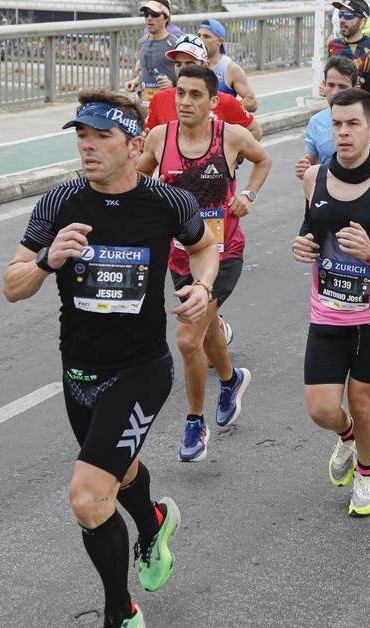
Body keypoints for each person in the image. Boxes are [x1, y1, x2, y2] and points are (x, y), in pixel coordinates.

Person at [4, 91, 217, 627]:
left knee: (88, 496)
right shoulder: (60, 205)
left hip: (141, 370)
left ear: (134, 144)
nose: (89, 148)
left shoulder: (169, 203)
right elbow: (12, 285)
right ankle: (154, 521)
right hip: (77, 374)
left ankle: (119, 613)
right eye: (82, 137)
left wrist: (203, 287)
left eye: (102, 137)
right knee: (118, 474)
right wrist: (48, 262)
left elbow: (204, 245)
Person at [138, 66, 269, 463]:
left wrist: (248, 194)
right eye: (180, 93)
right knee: (208, 326)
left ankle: (195, 422)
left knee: (186, 338)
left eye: (196, 95)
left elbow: (262, 161)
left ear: (213, 102)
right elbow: (140, 179)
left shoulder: (231, 136)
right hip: (180, 254)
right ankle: (230, 382)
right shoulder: (162, 138)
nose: (185, 101)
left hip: (223, 253)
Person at [292, 87, 370, 516]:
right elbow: (311, 228)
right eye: (336, 124)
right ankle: (346, 437)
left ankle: (366, 474)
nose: (343, 133)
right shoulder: (314, 178)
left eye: (352, 124)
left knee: (364, 405)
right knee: (323, 409)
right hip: (327, 310)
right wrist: (303, 245)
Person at [298, 57, 370, 176]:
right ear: (324, 85)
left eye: (342, 87)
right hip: (329, 192)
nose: (335, 92)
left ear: (355, 88)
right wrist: (305, 170)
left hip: (366, 192)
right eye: (331, 85)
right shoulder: (316, 122)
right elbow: (312, 161)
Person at [143, 35, 262, 140]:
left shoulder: (225, 101)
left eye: (190, 63)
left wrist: (231, 156)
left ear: (206, 66)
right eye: (178, 64)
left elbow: (255, 131)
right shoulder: (159, 99)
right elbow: (147, 141)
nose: (183, 69)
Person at [329, 0, 370, 108]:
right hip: (338, 115)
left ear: (363, 22)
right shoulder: (333, 46)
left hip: (366, 119)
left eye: (349, 16)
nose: (342, 20)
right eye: (340, 14)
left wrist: (360, 82)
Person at [124, 0, 182, 103]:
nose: (149, 18)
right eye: (146, 14)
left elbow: (187, 75)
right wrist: (136, 81)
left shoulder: (175, 44)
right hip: (144, 102)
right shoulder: (142, 42)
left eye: (155, 14)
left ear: (166, 18)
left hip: (166, 104)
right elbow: (148, 70)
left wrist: (172, 84)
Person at [196, 19, 257, 113]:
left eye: (206, 37)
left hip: (221, 126)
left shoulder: (231, 69)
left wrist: (222, 105)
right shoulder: (191, 63)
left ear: (219, 42)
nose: (200, 40)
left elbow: (252, 103)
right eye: (199, 36)